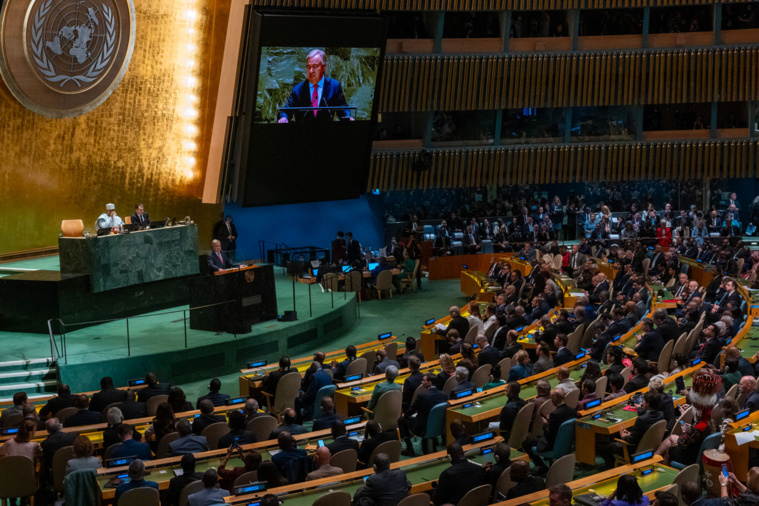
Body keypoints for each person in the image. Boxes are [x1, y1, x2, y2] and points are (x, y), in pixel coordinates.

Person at [278, 50, 353, 123]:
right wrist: (284, 118)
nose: (311, 71)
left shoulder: (334, 86)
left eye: (315, 66)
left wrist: (347, 117)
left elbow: (343, 108)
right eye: (308, 67)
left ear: (324, 67)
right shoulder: (298, 89)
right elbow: (286, 110)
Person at [600, 392, 665, 468]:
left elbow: (631, 441)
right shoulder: (661, 414)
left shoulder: (641, 419)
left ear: (647, 403)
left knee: (601, 446)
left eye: (643, 401)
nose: (642, 403)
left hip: (634, 451)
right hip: (650, 447)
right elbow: (645, 433)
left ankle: (611, 468)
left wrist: (624, 436)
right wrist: (630, 434)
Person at [522, 390, 575, 475]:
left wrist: (546, 424)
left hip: (553, 444)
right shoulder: (572, 410)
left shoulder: (555, 414)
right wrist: (551, 422)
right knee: (539, 437)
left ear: (554, 398)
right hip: (567, 443)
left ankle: (542, 467)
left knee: (526, 443)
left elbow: (549, 435)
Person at [398, 373, 447, 457]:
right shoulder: (444, 395)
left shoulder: (422, 396)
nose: (421, 382)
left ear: (430, 383)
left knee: (401, 420)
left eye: (424, 380)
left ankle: (409, 449)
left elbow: (411, 410)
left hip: (423, 428)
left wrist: (405, 414)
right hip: (440, 427)